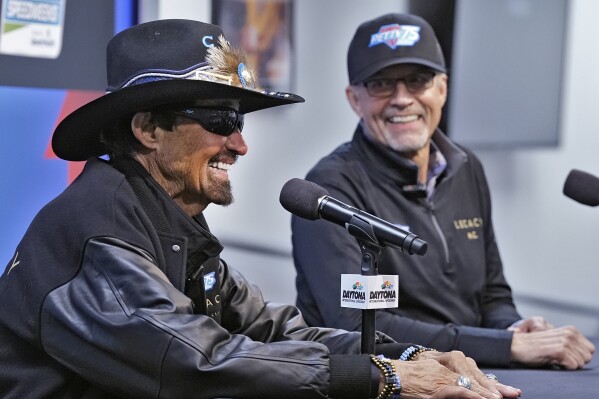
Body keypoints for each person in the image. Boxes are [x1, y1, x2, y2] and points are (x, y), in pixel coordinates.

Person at [0, 19, 521, 399]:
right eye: (221, 119)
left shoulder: (166, 215)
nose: (239, 144)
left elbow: (271, 328)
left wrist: (404, 355)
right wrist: (383, 378)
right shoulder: (99, 222)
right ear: (148, 129)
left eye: (240, 122)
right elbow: (193, 360)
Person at [291, 13, 595, 370]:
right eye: (381, 84)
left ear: (442, 89)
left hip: (474, 375)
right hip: (389, 380)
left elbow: (493, 293)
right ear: (354, 99)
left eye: (418, 80)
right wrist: (505, 345)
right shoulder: (330, 188)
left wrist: (514, 328)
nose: (402, 99)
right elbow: (358, 327)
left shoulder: (468, 169)